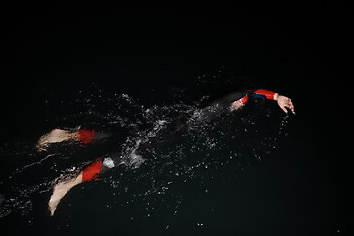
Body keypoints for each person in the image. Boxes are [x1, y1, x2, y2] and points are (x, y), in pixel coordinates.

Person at [44, 88, 295, 215]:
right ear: (237, 103)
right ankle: (67, 184)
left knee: (120, 134)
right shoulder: (220, 107)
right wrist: (276, 96)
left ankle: (65, 135)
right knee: (125, 157)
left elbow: (246, 94)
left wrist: (269, 96)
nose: (240, 108)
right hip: (166, 132)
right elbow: (245, 91)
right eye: (242, 105)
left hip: (165, 120)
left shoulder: (210, 108)